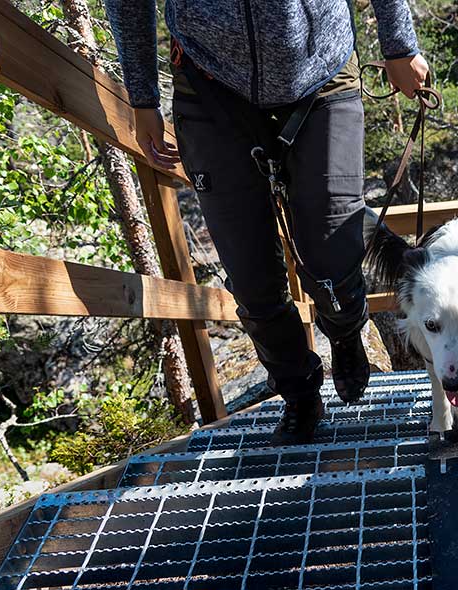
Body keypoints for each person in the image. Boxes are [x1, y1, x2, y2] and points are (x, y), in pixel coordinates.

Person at [105, 0, 429, 445]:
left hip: (321, 75)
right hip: (209, 86)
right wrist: (141, 97)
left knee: (333, 252)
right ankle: (298, 394)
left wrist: (399, 45)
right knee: (251, 275)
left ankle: (345, 329)